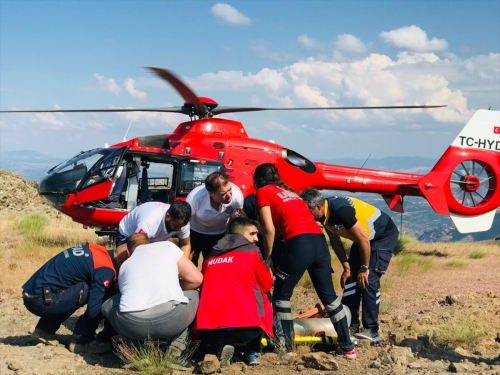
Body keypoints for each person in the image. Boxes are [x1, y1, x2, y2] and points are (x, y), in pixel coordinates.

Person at [253, 163, 355, 359]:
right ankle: (348, 348)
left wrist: (268, 258)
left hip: (299, 243)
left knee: (282, 296)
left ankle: (287, 348)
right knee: (330, 297)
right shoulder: (288, 192)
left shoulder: (263, 192)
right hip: (319, 241)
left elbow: (270, 229)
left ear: (257, 180)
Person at [299, 188, 399, 343]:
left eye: (309, 211)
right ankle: (351, 325)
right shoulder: (324, 216)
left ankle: (372, 330)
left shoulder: (341, 211)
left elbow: (364, 240)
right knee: (351, 279)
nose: (308, 216)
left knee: (369, 280)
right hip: (362, 240)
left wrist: (364, 268)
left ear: (318, 206)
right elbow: (335, 240)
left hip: (382, 236)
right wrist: (346, 267)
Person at [102, 233, 202, 368]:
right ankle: (175, 353)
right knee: (193, 293)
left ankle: (136, 352)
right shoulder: (168, 246)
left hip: (133, 326)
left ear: (128, 251)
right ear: (150, 243)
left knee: (109, 305)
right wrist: (177, 287)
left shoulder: (125, 265)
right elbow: (196, 279)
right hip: (172, 322)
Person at [196, 217, 273, 367]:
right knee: (263, 294)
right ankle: (253, 351)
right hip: (248, 328)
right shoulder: (252, 251)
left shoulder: (210, 256)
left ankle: (221, 347)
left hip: (210, 330)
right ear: (241, 234)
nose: (257, 238)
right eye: (253, 234)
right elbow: (267, 284)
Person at [22, 243, 117, 353]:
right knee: (100, 292)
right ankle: (82, 341)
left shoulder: (97, 250)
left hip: (33, 294)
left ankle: (44, 331)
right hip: (40, 301)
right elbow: (93, 311)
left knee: (76, 287)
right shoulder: (105, 270)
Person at [186, 172, 244, 266]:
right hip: (195, 232)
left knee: (213, 264)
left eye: (229, 189)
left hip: (219, 233)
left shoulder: (237, 197)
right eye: (223, 194)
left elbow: (233, 219)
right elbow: (185, 222)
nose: (229, 195)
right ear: (211, 194)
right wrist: (188, 245)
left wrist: (226, 239)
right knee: (190, 262)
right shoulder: (195, 199)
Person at [116, 200, 191, 259]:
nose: (178, 229)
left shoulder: (182, 222)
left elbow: (185, 245)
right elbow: (137, 250)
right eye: (176, 226)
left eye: (181, 227)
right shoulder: (150, 220)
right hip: (129, 233)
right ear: (168, 216)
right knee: (123, 265)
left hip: (152, 236)